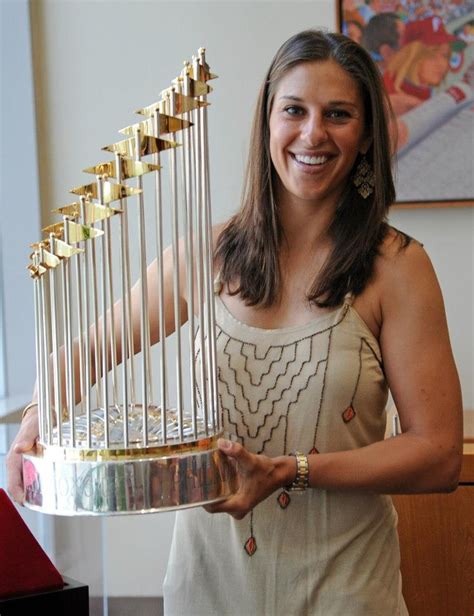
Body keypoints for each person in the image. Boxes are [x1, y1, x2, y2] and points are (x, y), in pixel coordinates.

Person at [7, 29, 463, 615]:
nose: (312, 133)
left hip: (346, 591)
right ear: (267, 122)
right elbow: (83, 351)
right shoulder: (206, 254)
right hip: (208, 590)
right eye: (293, 110)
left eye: (339, 114)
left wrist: (289, 472)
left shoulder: (399, 268)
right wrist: (38, 417)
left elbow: (439, 455)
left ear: (368, 134)